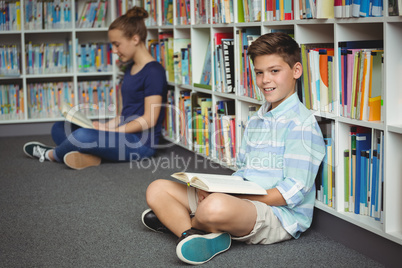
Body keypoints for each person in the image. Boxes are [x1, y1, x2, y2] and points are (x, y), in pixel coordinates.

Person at [142, 32, 326, 265]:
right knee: (157, 188)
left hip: (277, 215)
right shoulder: (257, 119)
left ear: (296, 71)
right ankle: (191, 234)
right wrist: (215, 187)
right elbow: (242, 170)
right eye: (259, 73)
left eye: (274, 71)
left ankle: (180, 222)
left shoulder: (302, 125)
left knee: (214, 207)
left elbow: (288, 194)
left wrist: (229, 196)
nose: (265, 80)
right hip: (240, 199)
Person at [23, 6, 167, 170]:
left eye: (116, 44)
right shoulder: (130, 68)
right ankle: (91, 156)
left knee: (82, 136)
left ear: (135, 39)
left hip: (141, 144)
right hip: (122, 135)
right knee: (60, 127)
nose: (114, 51)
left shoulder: (154, 71)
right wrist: (106, 127)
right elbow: (126, 114)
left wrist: (115, 132)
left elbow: (149, 119)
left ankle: (52, 155)